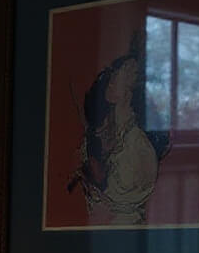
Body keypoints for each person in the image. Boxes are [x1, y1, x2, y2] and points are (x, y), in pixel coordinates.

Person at [68, 34, 170, 227]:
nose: (109, 78)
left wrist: (94, 176)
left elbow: (115, 200)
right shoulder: (102, 132)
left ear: (129, 92)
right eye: (111, 74)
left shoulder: (138, 148)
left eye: (117, 75)